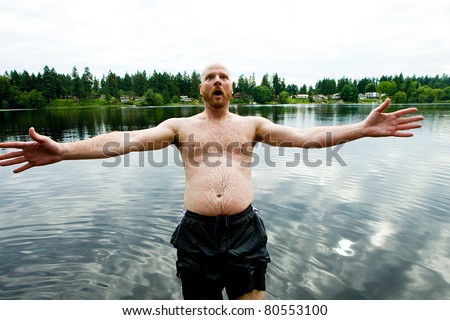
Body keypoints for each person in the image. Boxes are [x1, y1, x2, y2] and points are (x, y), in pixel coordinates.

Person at [0, 63, 424, 300]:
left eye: (223, 77)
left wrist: (362, 129)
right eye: (210, 76)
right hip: (197, 233)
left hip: (243, 230)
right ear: (201, 89)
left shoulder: (252, 124)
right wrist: (65, 150)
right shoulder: (179, 126)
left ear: (232, 90)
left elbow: (311, 138)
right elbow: (123, 141)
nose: (217, 81)